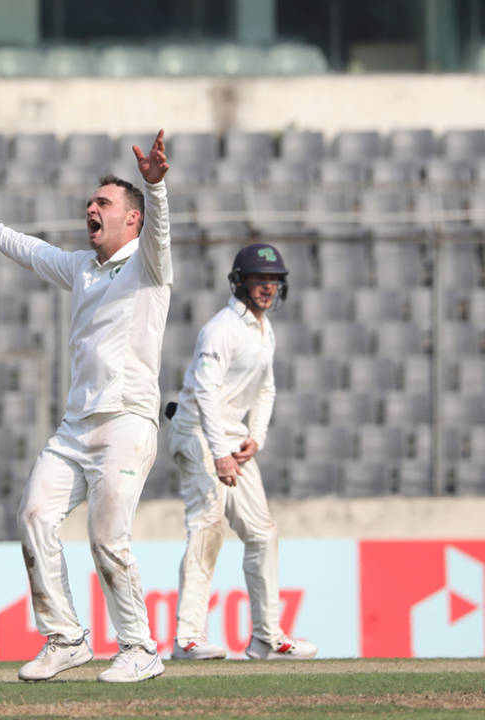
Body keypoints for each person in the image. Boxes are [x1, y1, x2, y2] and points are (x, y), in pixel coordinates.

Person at [0, 131, 172, 682]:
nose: (91, 209)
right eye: (90, 204)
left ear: (132, 220)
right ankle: (67, 637)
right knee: (34, 516)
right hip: (76, 428)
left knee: (106, 537)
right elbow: (34, 251)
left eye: (105, 204)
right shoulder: (81, 269)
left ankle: (140, 648)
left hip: (126, 422)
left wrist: (154, 186)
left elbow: (162, 233)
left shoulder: (149, 266)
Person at [165, 243, 318, 662]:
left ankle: (267, 638)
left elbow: (266, 387)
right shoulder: (221, 329)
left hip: (232, 439)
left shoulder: (265, 330)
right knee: (207, 525)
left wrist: (257, 436)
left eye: (273, 280)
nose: (267, 287)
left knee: (262, 532)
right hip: (197, 431)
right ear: (240, 282)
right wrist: (219, 453)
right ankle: (188, 638)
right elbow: (206, 395)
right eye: (258, 279)